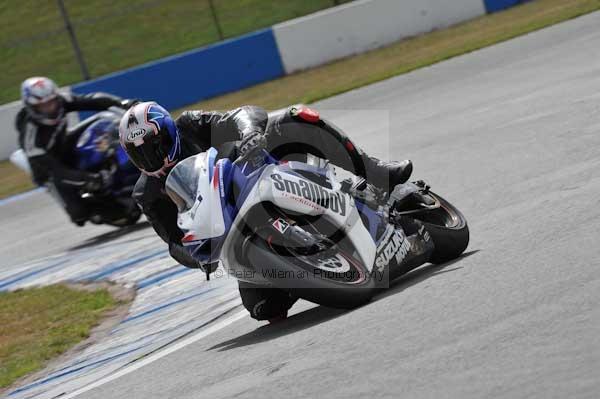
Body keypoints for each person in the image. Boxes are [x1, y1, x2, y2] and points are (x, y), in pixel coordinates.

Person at [119, 101, 413, 321]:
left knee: (297, 117)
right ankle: (309, 269)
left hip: (259, 175)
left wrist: (248, 132)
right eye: (139, 153)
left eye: (156, 145)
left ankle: (374, 172)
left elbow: (239, 115)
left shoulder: (191, 124)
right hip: (234, 234)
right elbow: (173, 241)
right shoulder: (147, 194)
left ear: (170, 133)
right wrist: (196, 256)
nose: (151, 156)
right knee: (264, 308)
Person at [15, 76, 137, 226]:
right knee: (79, 214)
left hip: (63, 144)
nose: (51, 108)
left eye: (52, 102)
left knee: (104, 121)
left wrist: (122, 103)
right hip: (48, 167)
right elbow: (56, 170)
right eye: (43, 106)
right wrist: (88, 178)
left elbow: (91, 100)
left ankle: (128, 160)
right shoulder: (30, 134)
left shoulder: (61, 101)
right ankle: (101, 203)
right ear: (31, 107)